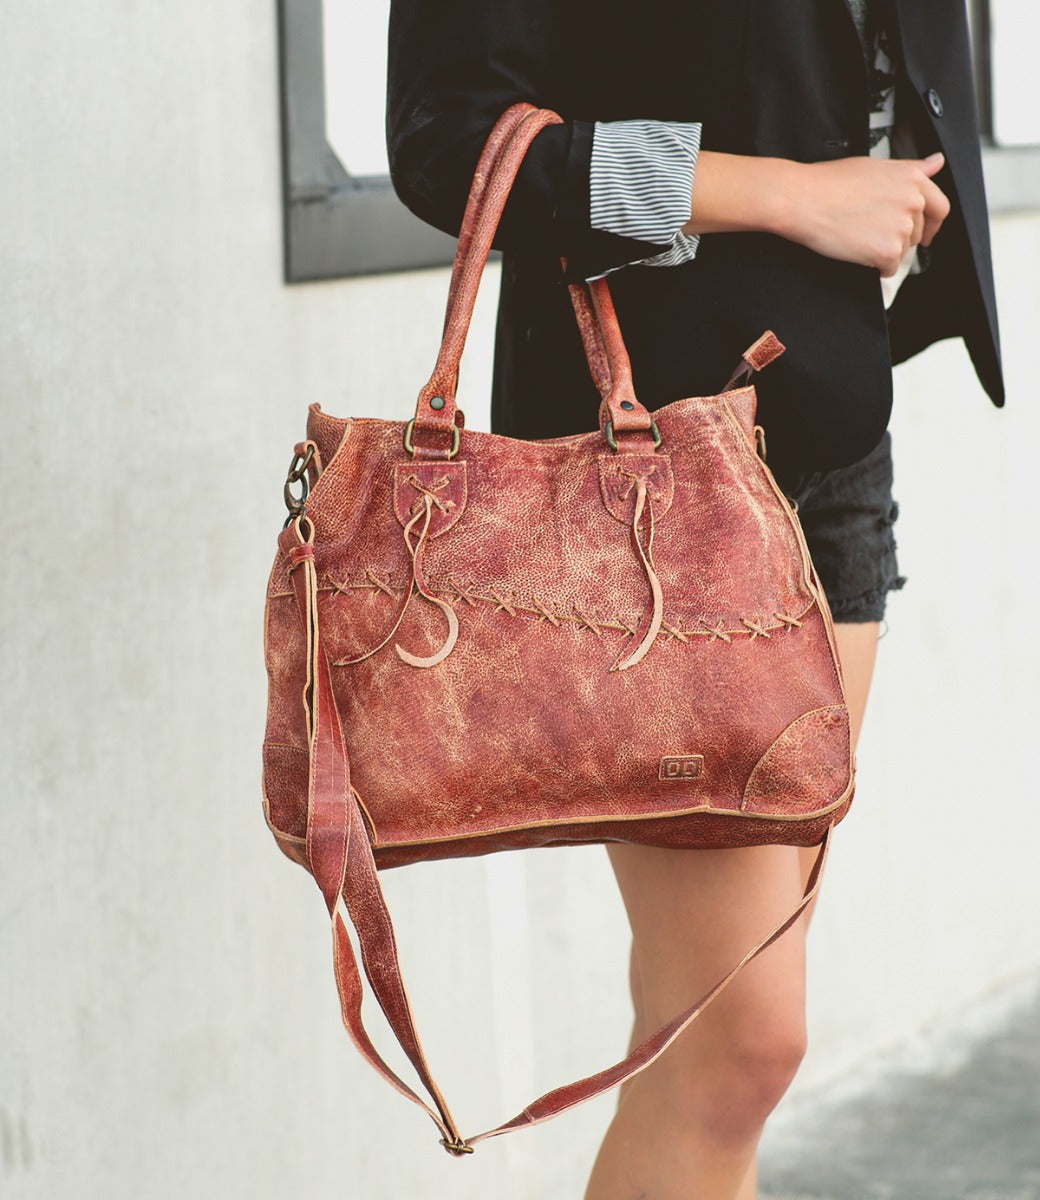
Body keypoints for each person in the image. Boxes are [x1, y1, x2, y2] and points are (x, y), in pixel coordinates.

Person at [386, 2, 1003, 1196]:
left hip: (827, 435)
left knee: (710, 1038)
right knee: (738, 1044)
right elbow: (451, 139)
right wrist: (782, 191)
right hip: (647, 473)